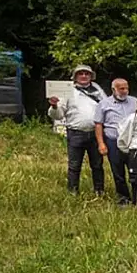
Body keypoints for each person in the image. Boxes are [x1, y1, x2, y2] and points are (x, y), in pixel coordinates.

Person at [48, 64, 107, 196]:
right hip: (75, 133)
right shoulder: (68, 91)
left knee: (97, 165)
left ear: (91, 76)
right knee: (74, 166)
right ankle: (73, 192)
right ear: (75, 77)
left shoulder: (98, 89)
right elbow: (59, 114)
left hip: (95, 133)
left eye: (87, 73)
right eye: (80, 73)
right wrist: (54, 106)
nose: (84, 76)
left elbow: (106, 107)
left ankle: (99, 191)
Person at [93, 77, 137, 204]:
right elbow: (98, 124)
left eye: (126, 88)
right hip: (113, 141)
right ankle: (124, 198)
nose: (125, 91)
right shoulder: (104, 104)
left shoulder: (134, 102)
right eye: (121, 88)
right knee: (118, 171)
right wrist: (101, 143)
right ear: (113, 89)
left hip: (132, 141)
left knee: (135, 171)